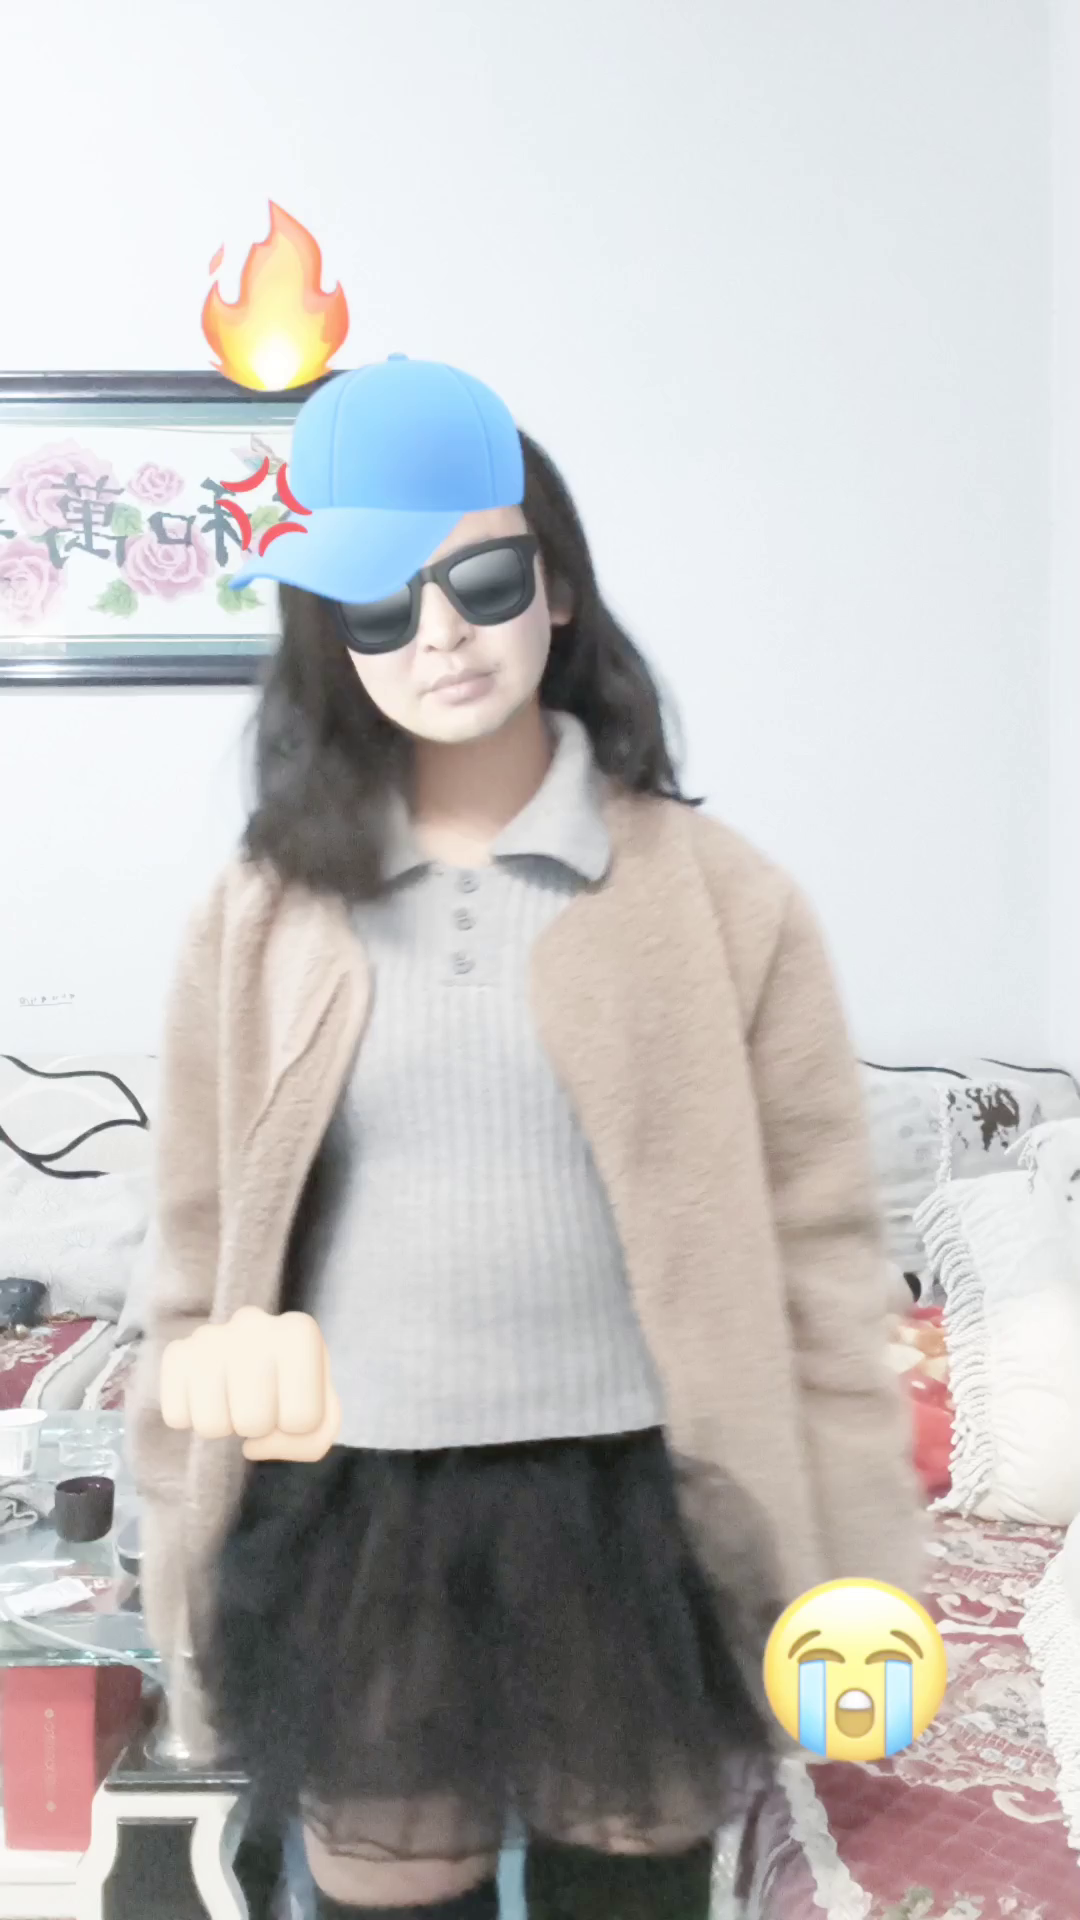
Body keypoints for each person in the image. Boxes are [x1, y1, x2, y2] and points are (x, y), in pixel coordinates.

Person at [129, 356, 923, 1920]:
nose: (438, 636)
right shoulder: (263, 910)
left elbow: (825, 1264)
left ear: (554, 587)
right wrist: (177, 1554)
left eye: (481, 581)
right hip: (358, 1504)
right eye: (378, 607)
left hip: (634, 1502)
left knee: (627, 1884)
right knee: (381, 1883)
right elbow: (194, 1251)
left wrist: (857, 1571)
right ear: (332, 639)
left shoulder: (722, 898)